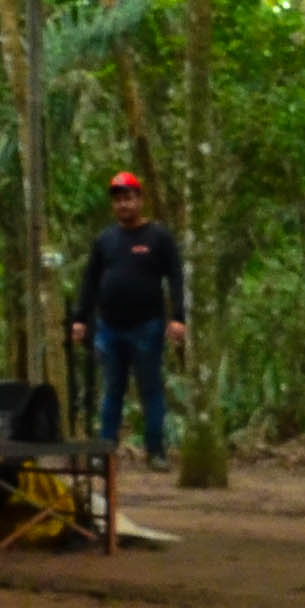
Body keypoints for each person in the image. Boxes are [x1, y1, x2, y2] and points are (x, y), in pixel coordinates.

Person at [71, 171, 187, 460]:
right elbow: (90, 280)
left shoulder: (158, 236)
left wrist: (178, 317)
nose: (123, 204)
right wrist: (80, 318)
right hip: (109, 327)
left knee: (151, 389)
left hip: (147, 326)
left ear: (140, 200)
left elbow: (175, 276)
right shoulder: (105, 239)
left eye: (128, 198)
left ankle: (156, 451)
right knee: (112, 389)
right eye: (118, 200)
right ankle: (105, 450)